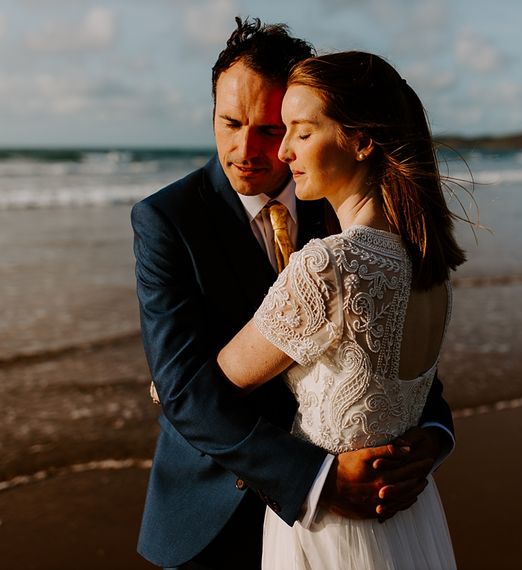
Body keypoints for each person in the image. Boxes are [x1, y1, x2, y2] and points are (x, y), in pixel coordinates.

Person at [131, 18, 455, 569]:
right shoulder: (168, 219)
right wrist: (318, 479)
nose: (248, 149)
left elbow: (391, 358)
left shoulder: (337, 205)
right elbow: (185, 391)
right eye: (230, 123)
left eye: (272, 129)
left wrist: (433, 435)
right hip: (212, 512)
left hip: (353, 514)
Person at [217, 50, 465, 569]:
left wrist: (161, 382)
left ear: (361, 141)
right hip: (406, 518)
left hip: (334, 524)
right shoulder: (429, 264)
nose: (283, 150)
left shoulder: (329, 264)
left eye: (303, 132)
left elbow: (222, 379)